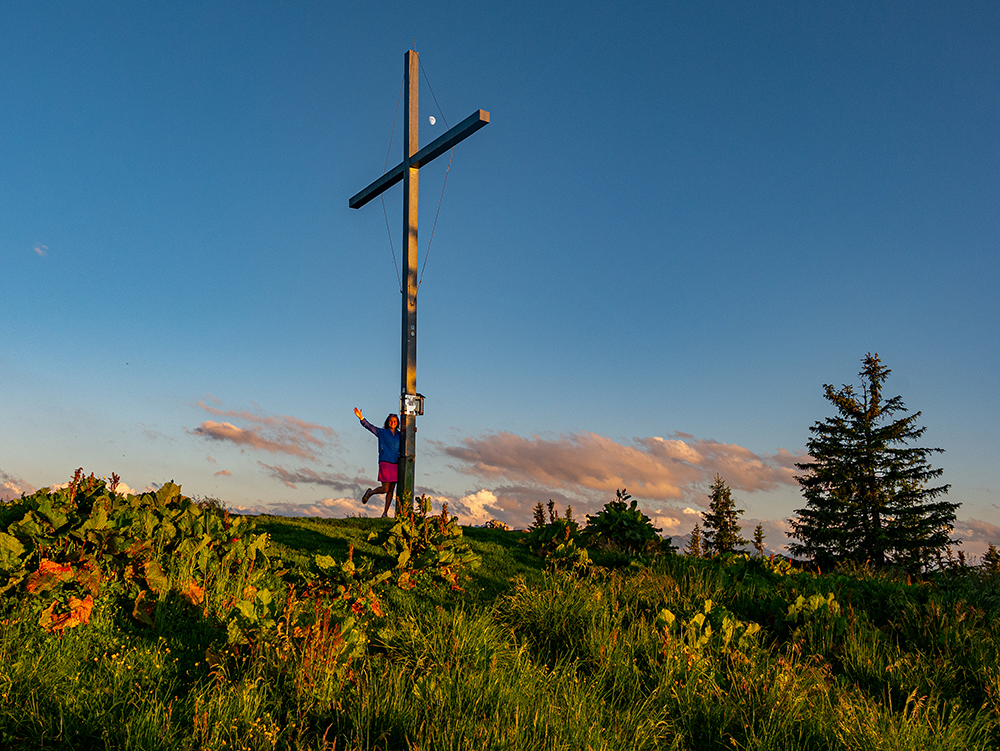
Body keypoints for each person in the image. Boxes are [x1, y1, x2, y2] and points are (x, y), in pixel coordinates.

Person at [354, 407, 399, 517]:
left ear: (397, 423)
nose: (392, 422)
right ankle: (370, 493)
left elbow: (410, 435)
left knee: (391, 489)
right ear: (387, 422)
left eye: (395, 421)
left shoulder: (400, 435)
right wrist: (361, 418)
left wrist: (414, 430)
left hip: (396, 463)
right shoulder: (382, 432)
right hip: (385, 462)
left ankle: (385, 513)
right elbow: (369, 427)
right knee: (385, 488)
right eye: (391, 420)